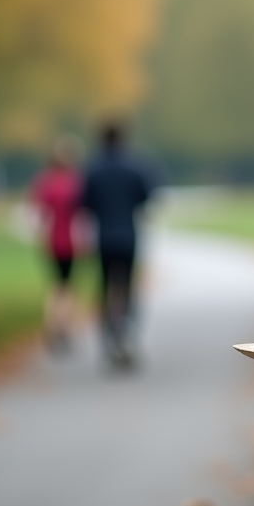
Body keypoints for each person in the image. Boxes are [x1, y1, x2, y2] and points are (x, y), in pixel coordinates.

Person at [79, 121, 156, 369]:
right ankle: (127, 333)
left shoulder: (93, 169)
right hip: (128, 235)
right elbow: (147, 196)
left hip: (104, 237)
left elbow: (85, 202)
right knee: (127, 285)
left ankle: (108, 335)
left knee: (105, 285)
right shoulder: (134, 166)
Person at [31, 135, 83, 353]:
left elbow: (38, 215)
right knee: (66, 285)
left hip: (53, 240)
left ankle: (55, 325)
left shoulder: (45, 182)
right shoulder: (75, 182)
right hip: (68, 240)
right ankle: (63, 327)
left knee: (56, 286)